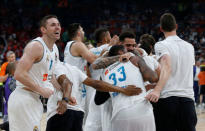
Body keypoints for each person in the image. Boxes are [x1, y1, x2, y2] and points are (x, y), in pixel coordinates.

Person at [46, 61, 142, 131]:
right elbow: (96, 83)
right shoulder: (73, 68)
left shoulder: (55, 66)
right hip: (77, 114)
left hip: (61, 112)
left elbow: (67, 83)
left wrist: (65, 100)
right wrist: (123, 90)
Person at [8, 15, 61, 131]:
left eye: (58, 25)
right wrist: (42, 90)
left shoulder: (55, 49)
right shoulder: (36, 46)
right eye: (53, 25)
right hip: (24, 97)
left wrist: (65, 95)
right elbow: (19, 74)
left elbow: (51, 77)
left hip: (35, 99)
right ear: (43, 30)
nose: (57, 27)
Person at [146, 13, 197, 131]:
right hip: (188, 100)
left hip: (168, 98)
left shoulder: (160, 45)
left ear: (161, 28)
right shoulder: (190, 46)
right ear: (176, 26)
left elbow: (167, 65)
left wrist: (157, 90)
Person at [95, 45, 158, 131]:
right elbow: (153, 78)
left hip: (120, 113)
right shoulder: (134, 59)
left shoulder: (104, 73)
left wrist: (119, 89)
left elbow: (98, 100)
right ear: (121, 52)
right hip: (141, 108)